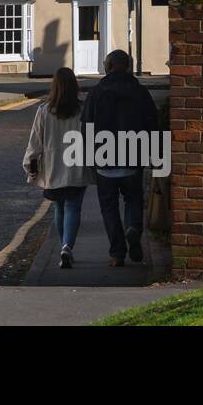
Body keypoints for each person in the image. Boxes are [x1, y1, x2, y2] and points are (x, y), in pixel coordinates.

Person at [81, 49, 159, 267]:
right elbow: (152, 123)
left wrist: (88, 157)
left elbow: (86, 125)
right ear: (128, 65)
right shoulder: (140, 92)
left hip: (104, 159)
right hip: (133, 157)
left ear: (108, 66)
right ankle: (133, 226)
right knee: (133, 199)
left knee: (109, 207)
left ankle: (117, 253)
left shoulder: (96, 92)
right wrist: (155, 154)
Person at [22, 66, 92, 268]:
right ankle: (67, 247)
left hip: (53, 168)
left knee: (59, 207)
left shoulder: (44, 110)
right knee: (73, 207)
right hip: (77, 165)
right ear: (74, 85)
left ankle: (63, 246)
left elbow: (35, 142)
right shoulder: (83, 110)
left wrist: (30, 165)